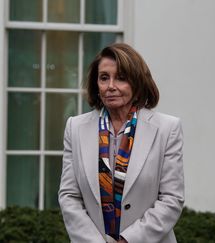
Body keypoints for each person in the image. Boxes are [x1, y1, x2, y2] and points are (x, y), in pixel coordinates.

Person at [58, 43, 184, 243]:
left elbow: (171, 199)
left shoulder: (167, 129)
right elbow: (69, 196)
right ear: (96, 84)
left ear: (137, 83)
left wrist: (128, 240)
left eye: (121, 78)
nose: (111, 86)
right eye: (104, 78)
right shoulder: (75, 128)